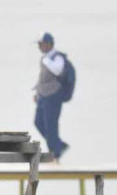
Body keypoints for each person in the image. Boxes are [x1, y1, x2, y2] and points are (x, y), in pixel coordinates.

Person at [33, 32, 69, 161]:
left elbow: (58, 70)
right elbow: (42, 78)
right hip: (43, 95)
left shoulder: (56, 57)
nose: (39, 47)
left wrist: (47, 60)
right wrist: (37, 93)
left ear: (48, 44)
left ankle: (55, 153)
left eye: (41, 44)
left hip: (53, 96)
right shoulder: (45, 58)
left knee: (51, 125)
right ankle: (59, 145)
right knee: (38, 122)